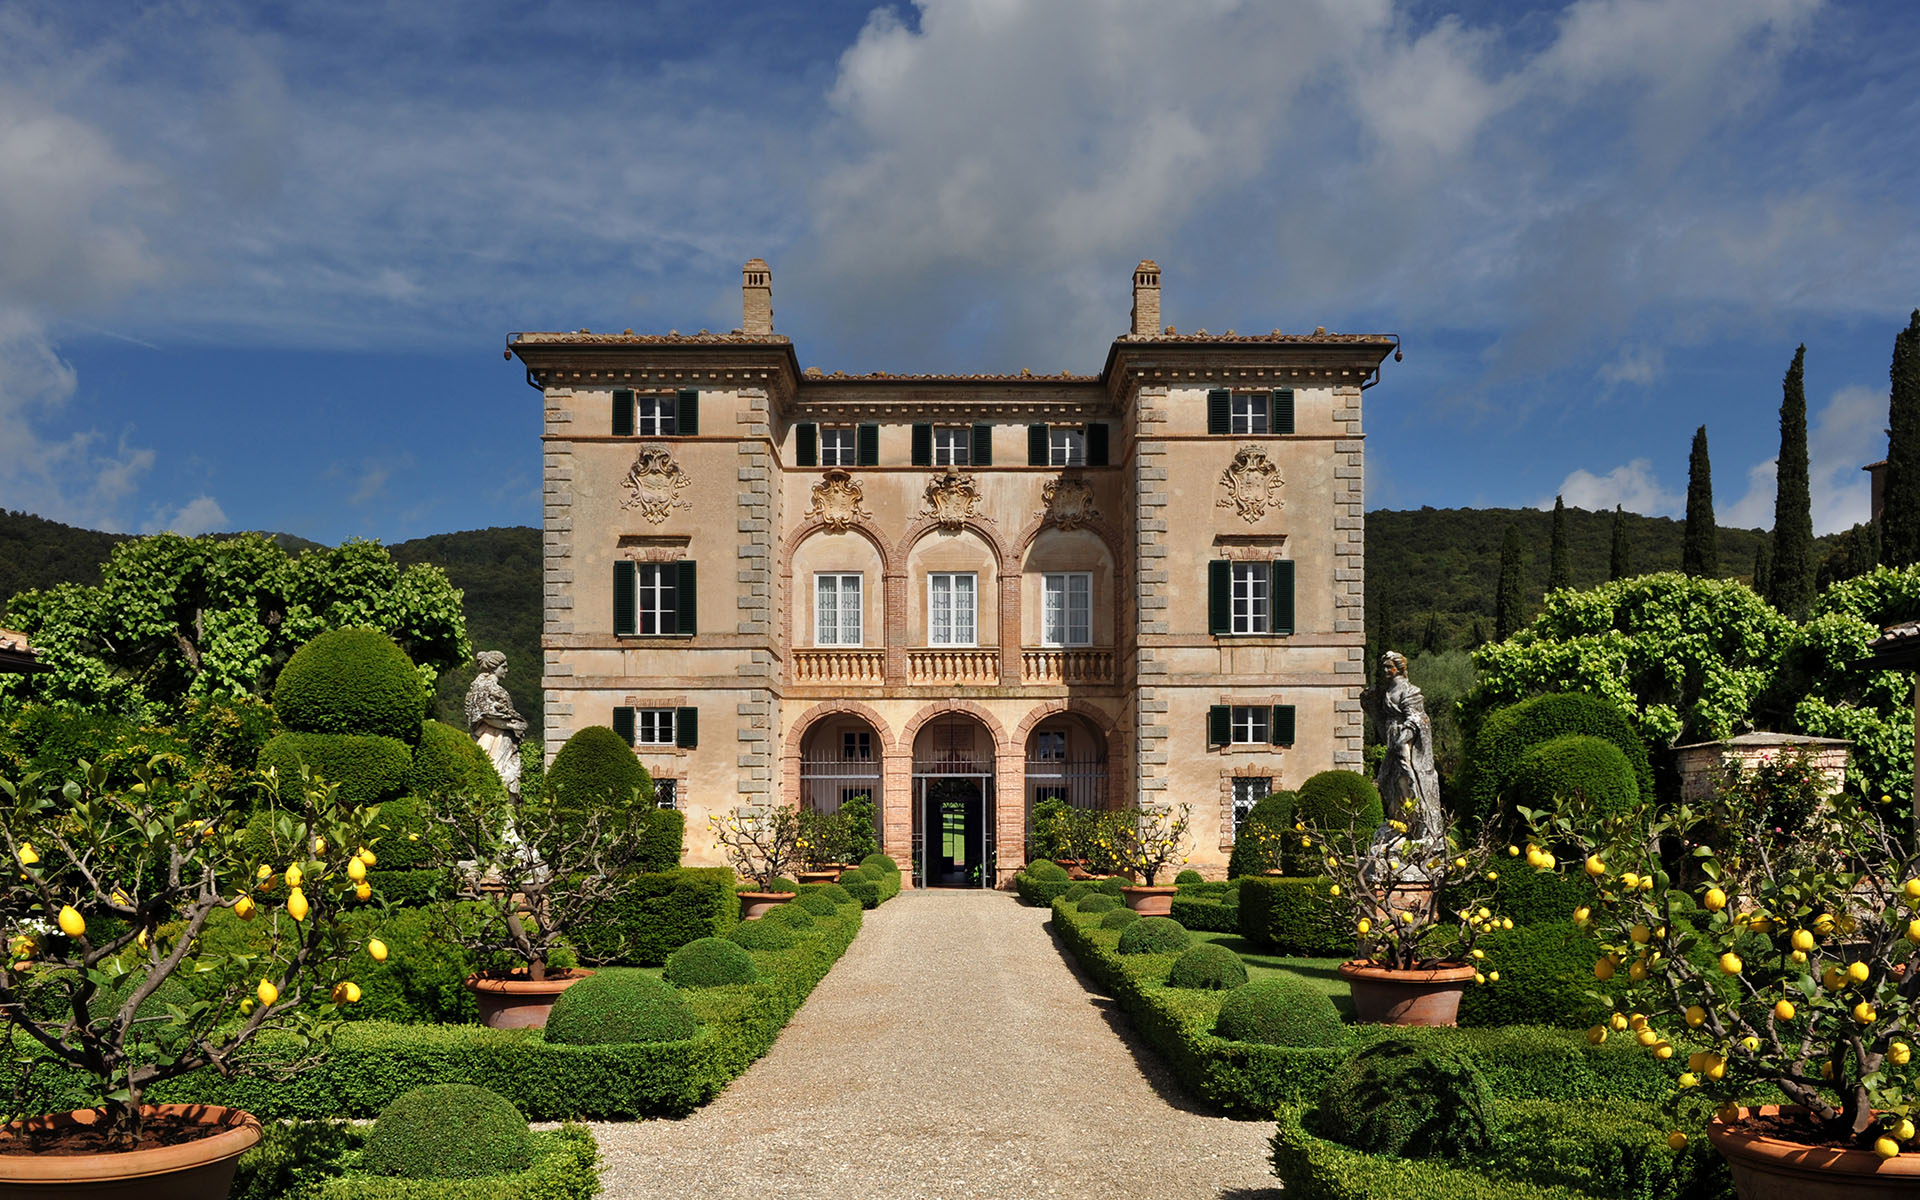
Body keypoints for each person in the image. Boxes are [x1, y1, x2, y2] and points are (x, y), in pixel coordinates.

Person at [1360, 650, 1445, 886]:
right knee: (1389, 783)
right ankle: (1400, 823)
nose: (1386, 671)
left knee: (1409, 782)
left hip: (1405, 744)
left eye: (1390, 667)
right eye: (1384, 667)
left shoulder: (1410, 691)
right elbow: (1382, 718)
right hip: (1392, 740)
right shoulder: (1388, 691)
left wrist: (1401, 742)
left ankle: (1419, 827)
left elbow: (1416, 719)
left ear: (1400, 668)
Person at [465, 650, 527, 798]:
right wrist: (512, 725)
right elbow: (486, 715)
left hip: (499, 736)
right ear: (494, 667)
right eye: (503, 667)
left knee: (503, 776)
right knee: (498, 775)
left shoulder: (483, 688)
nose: (506, 670)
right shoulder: (486, 688)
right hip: (494, 737)